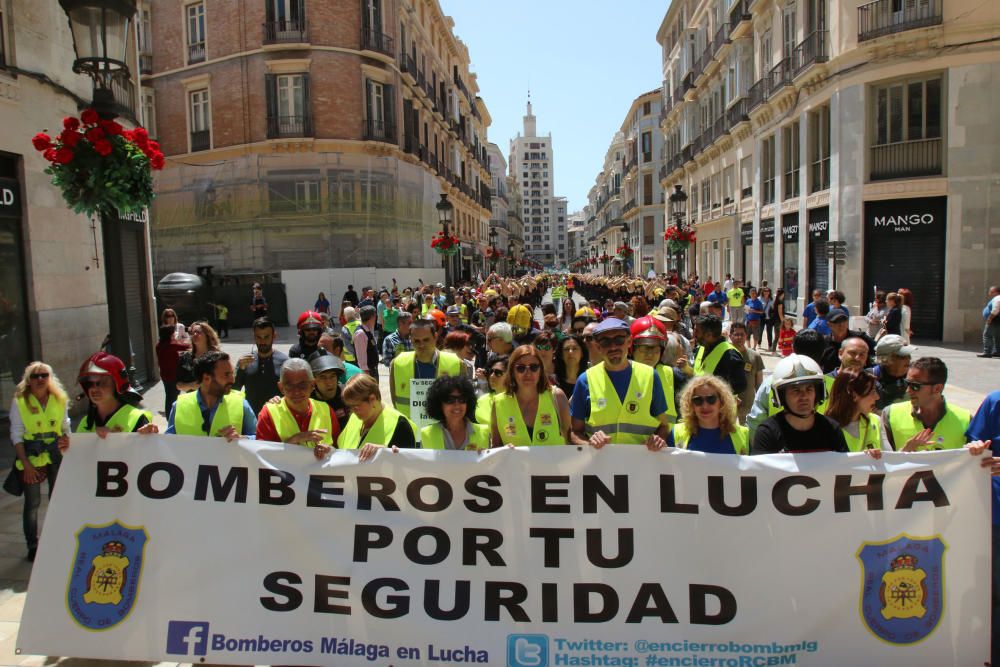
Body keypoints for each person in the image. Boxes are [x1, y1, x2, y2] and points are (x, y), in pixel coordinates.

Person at [568, 318, 670, 451]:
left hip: (642, 465)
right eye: (605, 342)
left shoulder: (650, 376)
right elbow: (575, 432)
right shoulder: (585, 380)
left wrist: (658, 440)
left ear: (629, 342)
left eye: (619, 340)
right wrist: (589, 444)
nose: (613, 347)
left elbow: (664, 426)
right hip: (601, 466)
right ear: (598, 347)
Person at [10, 362, 71, 561]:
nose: (40, 379)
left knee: (57, 500)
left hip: (54, 453)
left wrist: (68, 443)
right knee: (33, 502)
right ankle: (33, 545)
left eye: (44, 375)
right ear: (28, 379)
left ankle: (56, 540)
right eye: (35, 376)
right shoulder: (20, 401)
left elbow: (65, 426)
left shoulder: (59, 399)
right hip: (32, 455)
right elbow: (16, 434)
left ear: (50, 377)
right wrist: (25, 464)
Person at [964, 390, 1000, 667]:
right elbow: (974, 441)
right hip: (992, 515)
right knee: (990, 595)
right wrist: (975, 450)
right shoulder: (995, 401)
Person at [751, 355, 848, 454]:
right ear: (781, 396)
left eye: (809, 389)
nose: (804, 396)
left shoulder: (831, 429)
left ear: (818, 393)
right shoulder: (767, 433)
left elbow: (846, 467)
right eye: (796, 390)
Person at [746, 330, 832, 440]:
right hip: (821, 450)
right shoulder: (834, 386)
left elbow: (756, 423)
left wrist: (760, 453)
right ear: (824, 352)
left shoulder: (771, 383)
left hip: (777, 449)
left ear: (793, 348)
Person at [881, 356, 971, 451]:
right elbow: (883, 460)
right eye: (907, 383)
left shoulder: (966, 420)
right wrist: (905, 451)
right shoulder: (890, 414)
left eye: (915, 386)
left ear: (937, 388)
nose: (908, 390)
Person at [256, 358, 338, 459]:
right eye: (289, 386)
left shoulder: (326, 410)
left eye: (302, 385)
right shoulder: (268, 413)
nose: (296, 392)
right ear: (281, 387)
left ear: (312, 385)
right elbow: (262, 458)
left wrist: (329, 451)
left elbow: (339, 449)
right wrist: (293, 440)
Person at [491, 345, 571, 446]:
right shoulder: (498, 403)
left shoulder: (557, 397)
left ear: (541, 370)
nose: (528, 373)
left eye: (534, 367)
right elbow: (495, 447)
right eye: (521, 368)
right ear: (512, 372)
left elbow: (571, 440)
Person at [167, 351, 257, 440]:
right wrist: (153, 435)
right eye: (226, 375)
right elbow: (168, 442)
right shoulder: (179, 406)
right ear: (206, 378)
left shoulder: (241, 404)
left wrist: (242, 438)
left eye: (232, 373)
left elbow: (259, 438)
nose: (232, 380)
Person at [389, 319, 463, 421]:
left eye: (426, 340)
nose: (421, 345)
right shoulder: (397, 363)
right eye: (416, 341)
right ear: (410, 339)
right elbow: (395, 400)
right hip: (410, 429)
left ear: (435, 337)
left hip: (443, 429)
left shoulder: (456, 363)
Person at [667, 375, 749, 455]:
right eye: (698, 400)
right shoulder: (676, 434)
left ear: (722, 402)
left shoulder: (744, 436)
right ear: (691, 404)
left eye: (711, 399)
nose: (705, 406)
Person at [337, 374, 416, 450]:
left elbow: (408, 460)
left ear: (372, 399)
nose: (353, 411)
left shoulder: (401, 425)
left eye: (356, 406)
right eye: (350, 406)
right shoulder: (354, 417)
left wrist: (385, 452)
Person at [629, 316, 684, 425]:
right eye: (644, 347)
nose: (650, 354)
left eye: (655, 348)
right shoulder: (618, 374)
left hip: (667, 441)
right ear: (631, 347)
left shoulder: (674, 376)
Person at [234, 317, 289, 415]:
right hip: (251, 420)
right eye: (259, 337)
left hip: (277, 418)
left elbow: (291, 393)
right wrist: (240, 370)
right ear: (254, 336)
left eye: (266, 337)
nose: (262, 341)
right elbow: (234, 391)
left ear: (274, 336)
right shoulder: (245, 362)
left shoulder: (285, 362)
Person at [421, 376, 490, 450]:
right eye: (450, 400)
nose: (457, 405)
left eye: (462, 399)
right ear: (439, 404)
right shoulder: (426, 434)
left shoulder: (484, 432)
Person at [825, 368, 884, 453]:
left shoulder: (876, 421)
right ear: (854, 395)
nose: (877, 397)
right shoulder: (825, 428)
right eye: (872, 391)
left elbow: (890, 461)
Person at [692, 315, 747, 394]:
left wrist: (714, 394)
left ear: (709, 335)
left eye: (697, 331)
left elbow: (740, 385)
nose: (694, 334)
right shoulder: (701, 348)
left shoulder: (730, 355)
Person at [728, 322, 763, 423]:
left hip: (748, 404)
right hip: (729, 404)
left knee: (747, 434)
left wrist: (760, 402)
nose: (739, 337)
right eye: (736, 334)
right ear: (730, 336)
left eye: (742, 334)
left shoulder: (755, 356)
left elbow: (759, 382)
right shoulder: (725, 355)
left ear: (746, 336)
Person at [869, 334, 915, 409]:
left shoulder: (916, 379)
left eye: (909, 355)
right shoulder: (868, 378)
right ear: (886, 359)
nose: (908, 359)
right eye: (903, 356)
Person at [175, 321, 221, 391]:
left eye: (198, 332)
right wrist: (194, 385)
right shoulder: (185, 357)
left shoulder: (217, 356)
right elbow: (178, 385)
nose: (195, 334)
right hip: (192, 400)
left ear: (207, 335)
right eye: (193, 333)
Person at [155, 324, 189, 415]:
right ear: (169, 335)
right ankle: (171, 416)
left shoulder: (159, 345)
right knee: (173, 397)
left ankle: (169, 415)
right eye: (173, 333)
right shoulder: (170, 345)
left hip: (164, 375)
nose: (174, 334)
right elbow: (187, 346)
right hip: (173, 375)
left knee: (169, 396)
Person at [309, 352, 348, 430]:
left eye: (332, 376)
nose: (329, 383)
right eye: (322, 377)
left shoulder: (348, 394)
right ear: (314, 381)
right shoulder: (307, 401)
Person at [474, 353, 509, 425]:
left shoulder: (519, 401)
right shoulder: (482, 400)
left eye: (498, 373)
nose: (492, 376)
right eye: (491, 371)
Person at [353, 305, 379, 381]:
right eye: (375, 316)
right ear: (372, 317)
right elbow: (361, 358)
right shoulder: (360, 333)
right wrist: (366, 375)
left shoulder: (368, 330)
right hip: (367, 373)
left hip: (373, 370)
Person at [980, 285, 1000, 358]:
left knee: (987, 335)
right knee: (998, 336)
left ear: (996, 292)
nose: (989, 293)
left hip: (994, 320)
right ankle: (998, 352)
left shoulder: (997, 298)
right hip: (997, 320)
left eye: (991, 291)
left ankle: (987, 352)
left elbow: (995, 309)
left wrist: (990, 318)